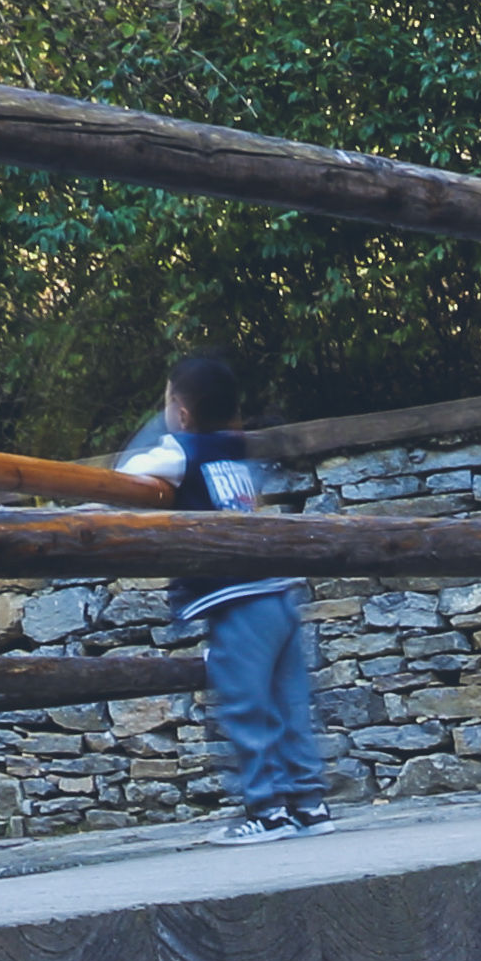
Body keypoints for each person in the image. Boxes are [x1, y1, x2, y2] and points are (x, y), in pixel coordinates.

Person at [117, 352, 331, 842]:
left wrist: (156, 436)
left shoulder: (180, 451)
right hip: (277, 594)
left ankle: (266, 811)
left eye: (168, 401)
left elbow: (128, 475)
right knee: (288, 704)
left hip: (236, 603)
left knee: (245, 705)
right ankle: (310, 803)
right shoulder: (235, 450)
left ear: (182, 412)